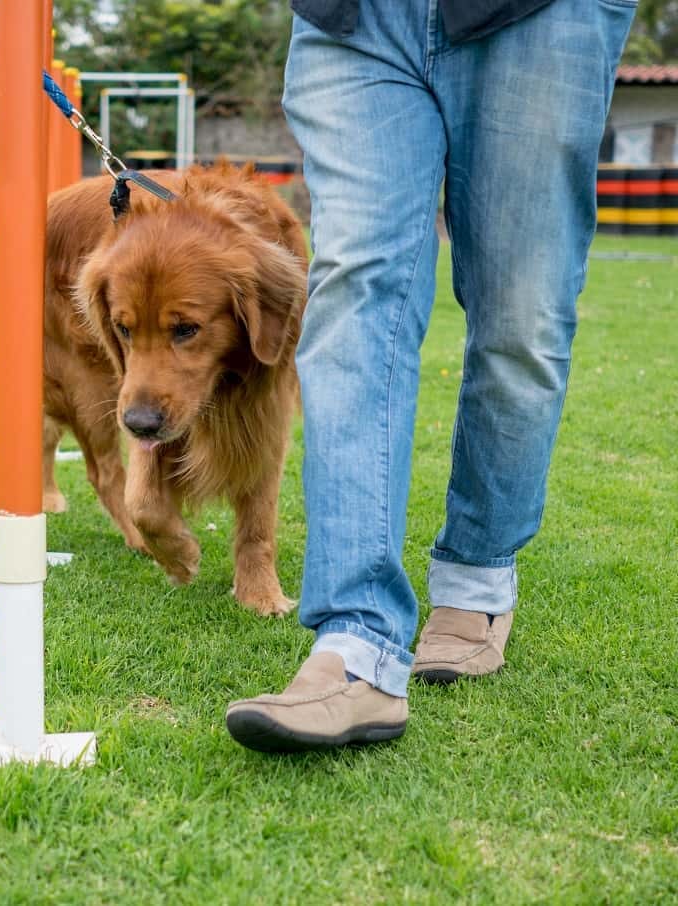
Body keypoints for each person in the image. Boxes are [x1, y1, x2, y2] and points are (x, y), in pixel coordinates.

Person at [224, 0, 636, 752]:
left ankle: (477, 576)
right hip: (354, 21)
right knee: (353, 289)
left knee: (522, 319)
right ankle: (357, 644)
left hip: (540, 16)